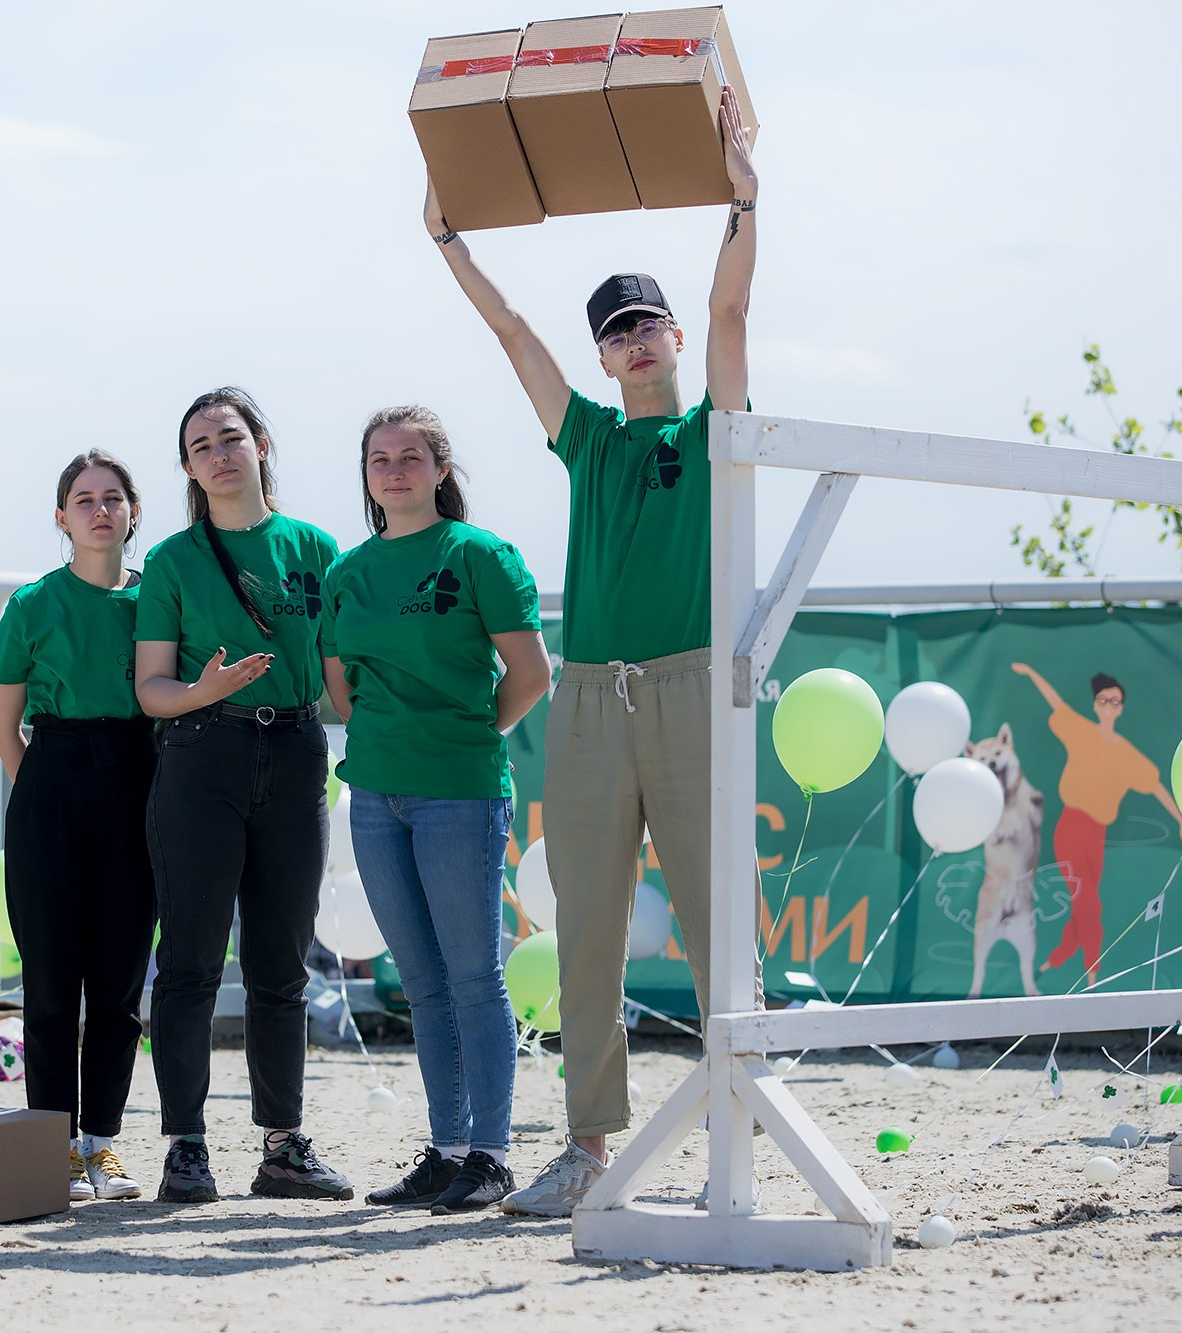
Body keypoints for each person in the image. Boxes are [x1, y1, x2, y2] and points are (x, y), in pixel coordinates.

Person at [425, 88, 761, 1216]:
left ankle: (736, 1122)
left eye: (640, 323)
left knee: (720, 927)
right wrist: (447, 242)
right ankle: (585, 1145)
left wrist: (741, 205)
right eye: (610, 331)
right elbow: (513, 333)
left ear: (664, 335)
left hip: (687, 686)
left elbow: (730, 317)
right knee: (588, 935)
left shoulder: (715, 427)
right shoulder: (588, 439)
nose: (628, 340)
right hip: (584, 699)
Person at [322, 406, 551, 1214]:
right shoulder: (347, 572)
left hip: (462, 788)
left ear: (441, 468)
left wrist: (464, 735)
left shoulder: (480, 554)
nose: (394, 470)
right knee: (420, 981)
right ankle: (446, 1147)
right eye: (379, 458)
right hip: (375, 793)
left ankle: (490, 1153)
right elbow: (340, 683)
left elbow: (530, 674)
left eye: (411, 456)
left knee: (475, 976)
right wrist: (391, 745)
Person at [133, 387, 352, 1204]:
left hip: (297, 750)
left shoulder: (315, 547)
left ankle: (283, 1146)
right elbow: (151, 689)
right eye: (201, 446)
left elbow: (338, 676)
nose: (219, 454)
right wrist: (204, 688)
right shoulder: (171, 560)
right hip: (201, 753)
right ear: (189, 466)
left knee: (281, 964)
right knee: (188, 960)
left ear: (262, 443)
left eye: (231, 438)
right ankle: (185, 1148)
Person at [0, 450, 156, 1204]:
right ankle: (51, 1142)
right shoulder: (31, 603)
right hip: (50, 777)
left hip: (136, 778)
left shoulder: (157, 600)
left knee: (119, 983)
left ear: (133, 512)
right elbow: (3, 724)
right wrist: (50, 802)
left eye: (112, 497)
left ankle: (103, 1144)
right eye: (83, 499)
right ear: (62, 517)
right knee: (51, 981)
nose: (98, 509)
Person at [1011, 662, 1182, 986]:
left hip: (1097, 835)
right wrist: (1032, 674)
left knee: (1085, 901)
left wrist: (1179, 819)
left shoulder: (1126, 753)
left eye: (1115, 701)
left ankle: (1061, 954)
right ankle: (1093, 971)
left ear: (1121, 708)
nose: (1109, 706)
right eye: (1104, 700)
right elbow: (1056, 704)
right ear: (1095, 705)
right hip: (1071, 827)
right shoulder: (1080, 731)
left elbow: (1156, 785)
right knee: (1089, 901)